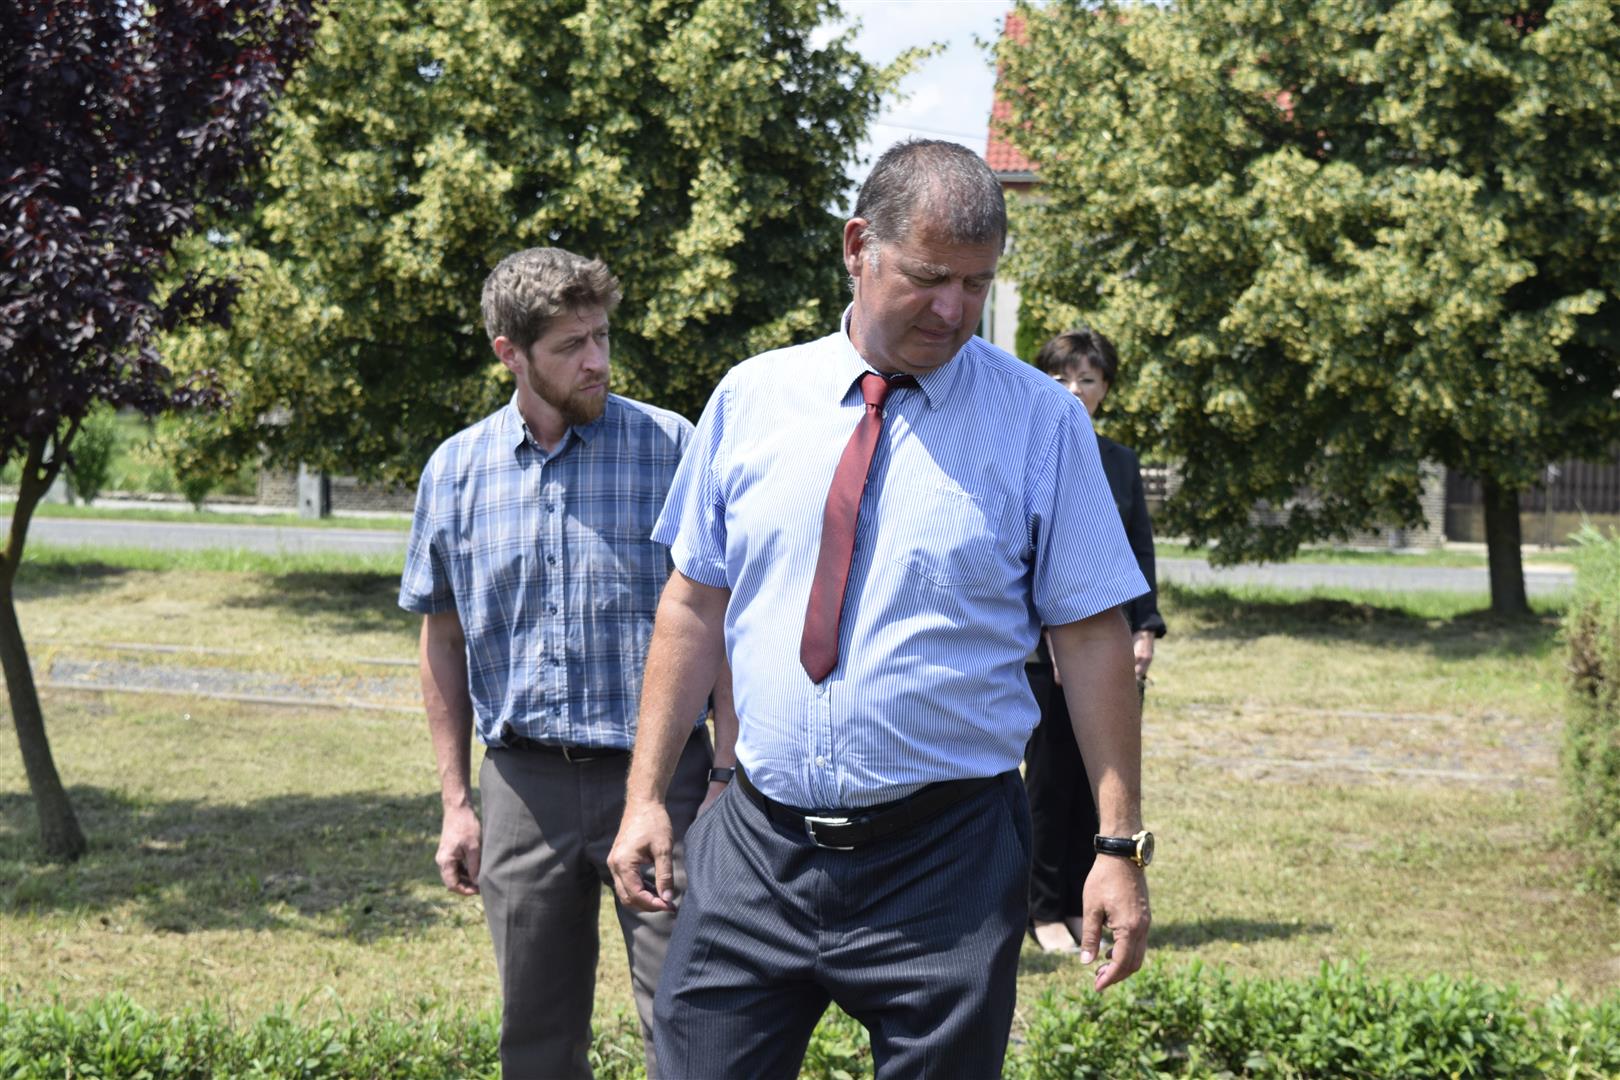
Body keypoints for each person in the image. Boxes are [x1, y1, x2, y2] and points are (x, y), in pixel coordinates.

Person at [606, 140, 1154, 1080]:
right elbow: (693, 604)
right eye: (929, 278)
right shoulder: (752, 398)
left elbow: (1093, 639)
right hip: (756, 845)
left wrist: (1116, 847)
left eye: (977, 285)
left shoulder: (1042, 423)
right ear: (858, 246)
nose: (953, 311)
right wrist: (647, 796)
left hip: (948, 861)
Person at [399, 247, 734, 1080]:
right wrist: (455, 802)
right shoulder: (455, 472)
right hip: (523, 789)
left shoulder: (673, 448)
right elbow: (443, 640)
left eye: (602, 336)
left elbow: (720, 619)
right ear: (509, 353)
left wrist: (724, 775)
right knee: (536, 1039)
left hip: (663, 781)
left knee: (688, 1022)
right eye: (570, 345)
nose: (597, 361)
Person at [1025, 328, 1168, 955]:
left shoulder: (1120, 462)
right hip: (1044, 652)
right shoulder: (1029, 452)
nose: (1074, 391)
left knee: (1102, 782)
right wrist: (1051, 637)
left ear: (1106, 387)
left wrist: (1145, 627)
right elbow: (1025, 557)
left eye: (1087, 379)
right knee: (1047, 783)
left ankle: (1084, 901)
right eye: (1060, 379)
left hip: (1109, 646)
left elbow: (1136, 552)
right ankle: (1040, 908)